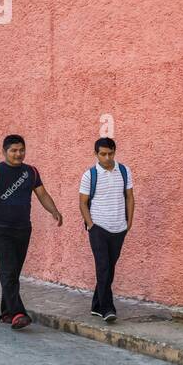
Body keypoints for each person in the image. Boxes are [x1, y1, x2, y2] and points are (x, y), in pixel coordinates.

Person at [0, 134, 63, 330]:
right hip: (1, 229)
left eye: (21, 150)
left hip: (23, 229)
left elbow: (42, 194)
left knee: (12, 272)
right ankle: (18, 313)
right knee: (8, 272)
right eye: (13, 150)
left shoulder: (31, 172)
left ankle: (6, 311)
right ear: (4, 152)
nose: (18, 154)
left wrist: (54, 211)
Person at [78, 137, 134, 322]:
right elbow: (83, 202)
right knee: (103, 267)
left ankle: (96, 305)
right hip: (99, 228)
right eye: (103, 154)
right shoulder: (89, 175)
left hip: (119, 227)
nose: (107, 157)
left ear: (114, 152)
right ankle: (107, 308)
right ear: (96, 154)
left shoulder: (124, 171)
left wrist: (129, 222)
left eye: (110, 153)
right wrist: (91, 225)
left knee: (109, 268)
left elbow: (129, 197)